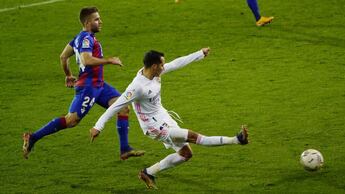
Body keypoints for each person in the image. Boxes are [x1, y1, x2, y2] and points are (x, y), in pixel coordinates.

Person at [89, 47, 249, 189]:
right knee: (194, 137)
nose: (164, 67)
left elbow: (176, 63)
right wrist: (98, 126)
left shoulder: (154, 73)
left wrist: (199, 54)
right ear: (154, 66)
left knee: (186, 154)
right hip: (153, 126)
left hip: (163, 117)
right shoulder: (137, 87)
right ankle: (236, 139)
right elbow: (116, 105)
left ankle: (148, 173)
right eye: (161, 65)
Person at [22, 6, 144, 160]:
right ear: (87, 22)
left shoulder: (78, 38)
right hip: (89, 87)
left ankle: (125, 149)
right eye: (97, 19)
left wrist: (68, 75)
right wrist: (109, 60)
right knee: (71, 121)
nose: (100, 22)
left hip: (99, 85)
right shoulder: (86, 38)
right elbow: (86, 60)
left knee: (123, 108)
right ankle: (33, 137)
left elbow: (63, 57)